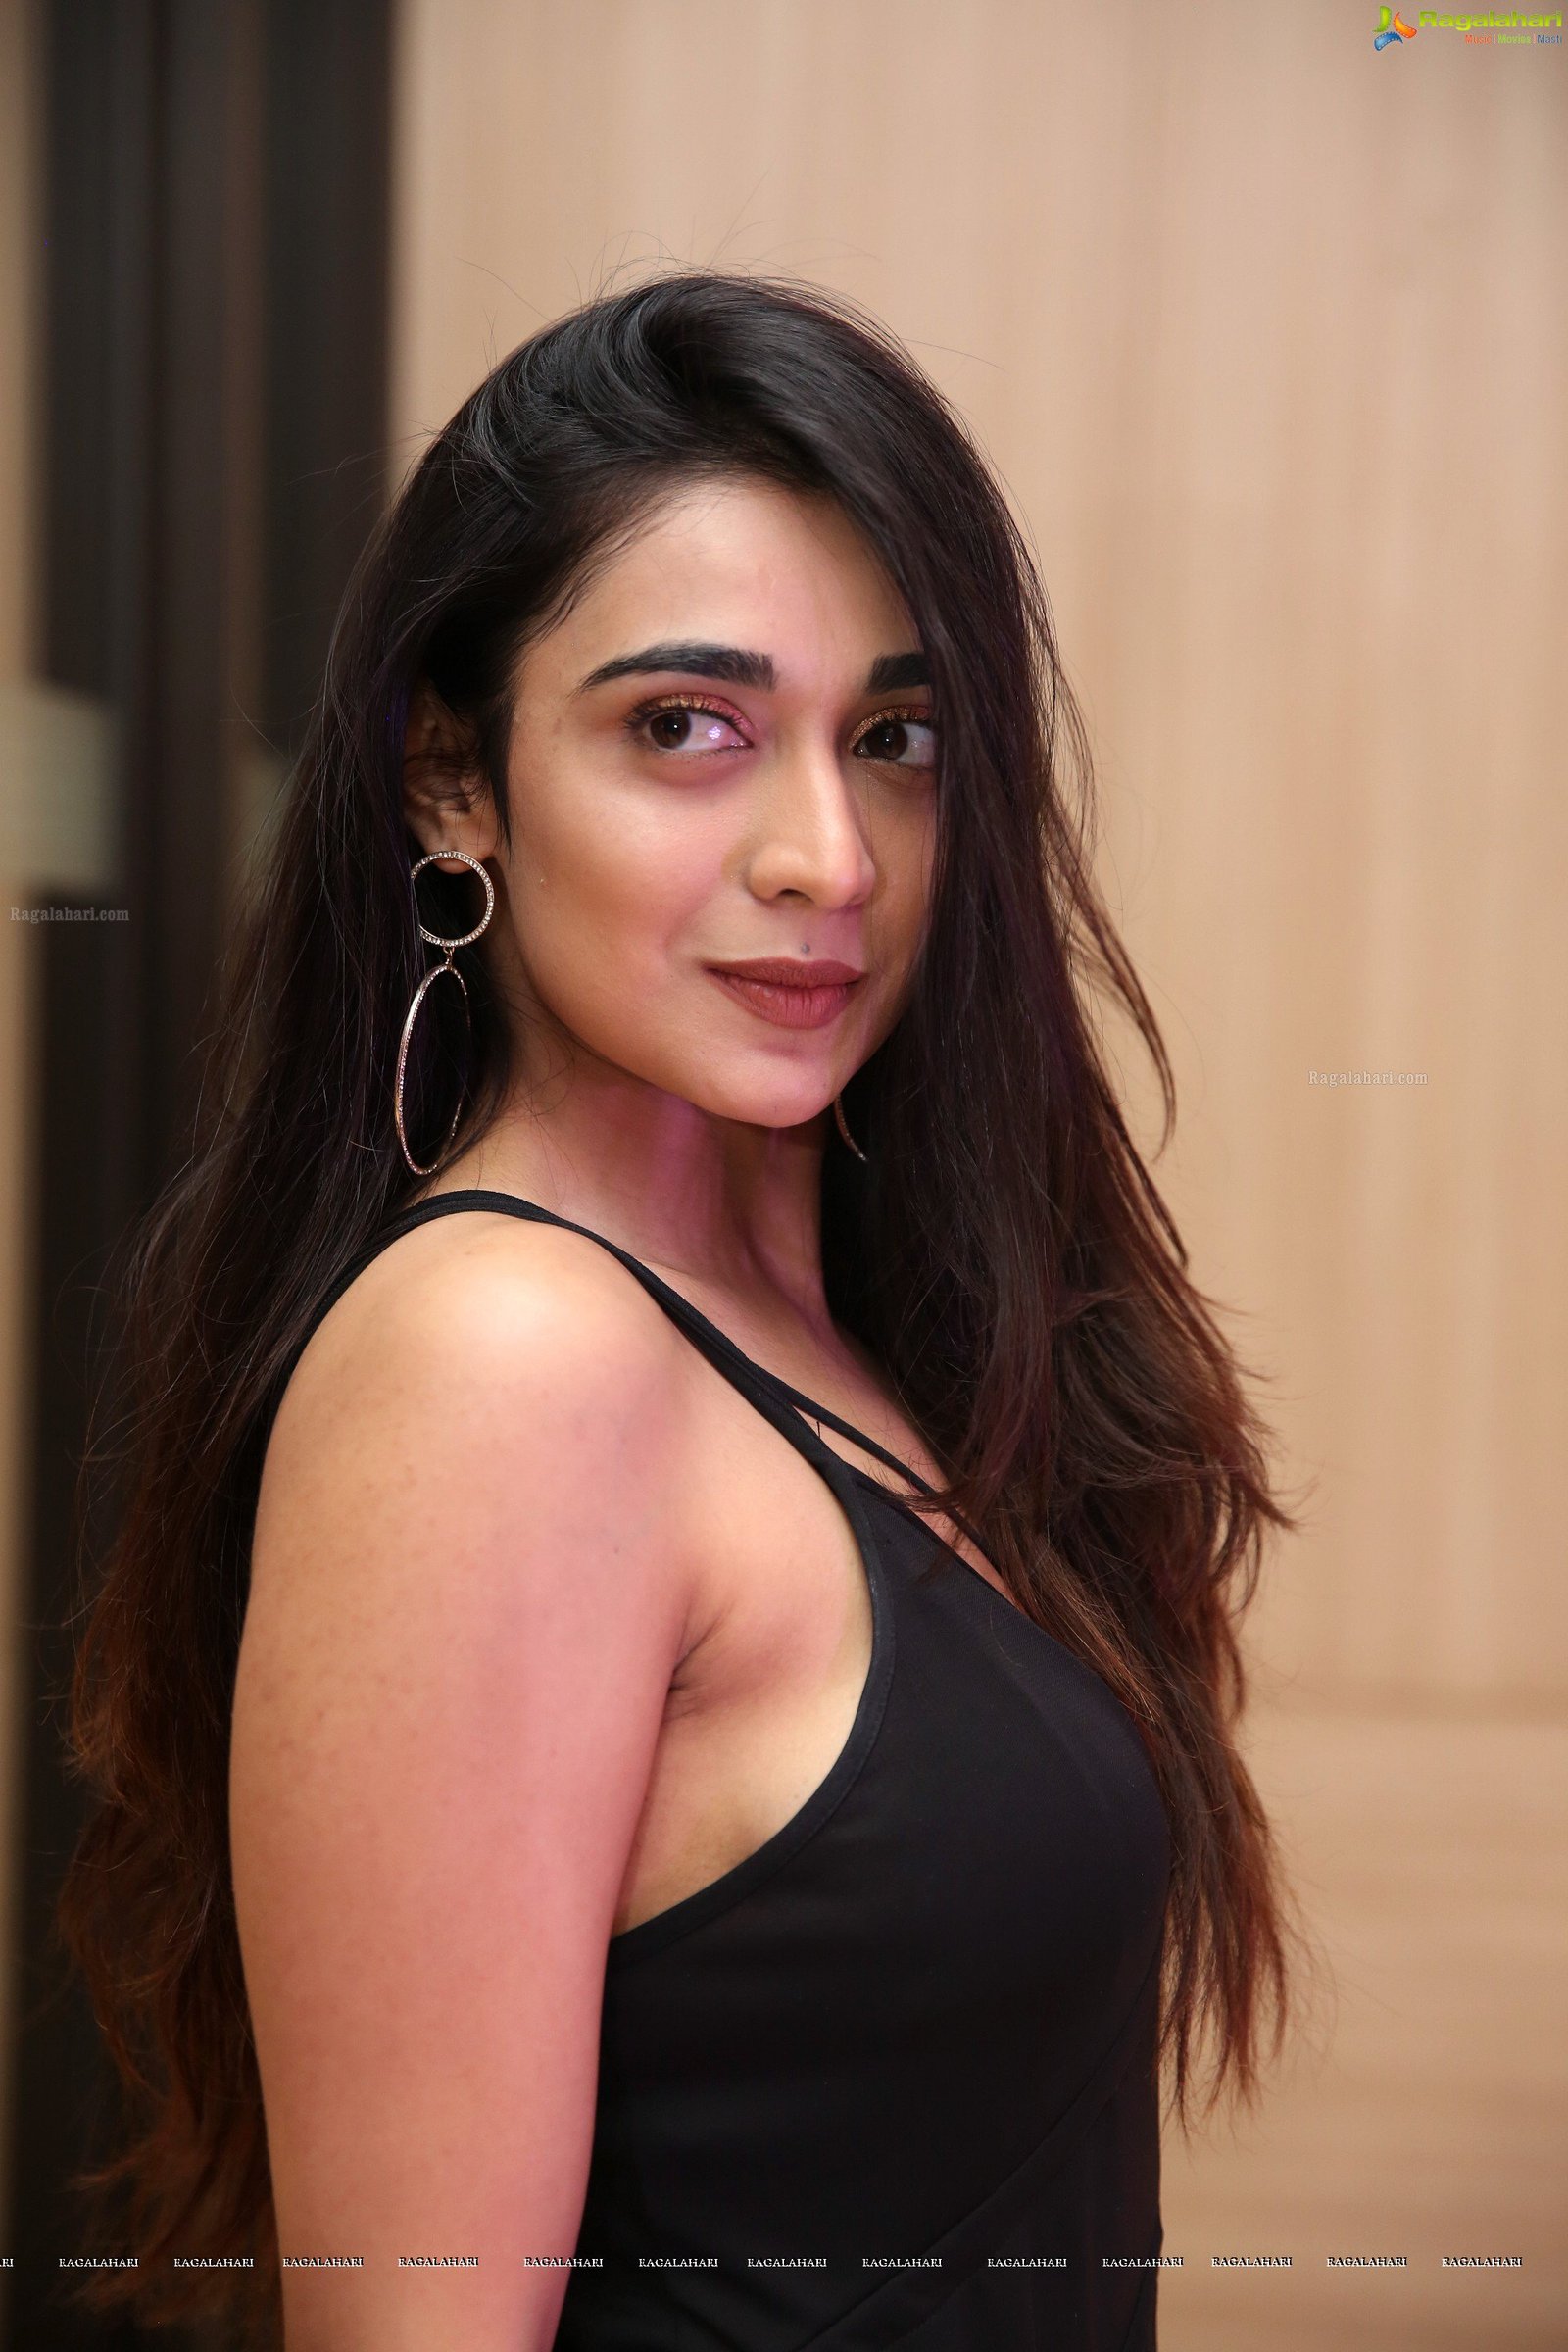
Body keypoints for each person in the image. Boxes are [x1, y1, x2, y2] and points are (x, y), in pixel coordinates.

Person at [59, 270, 1298, 2352]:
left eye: (893, 739)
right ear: (451, 781)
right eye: (684, 728)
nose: (828, 856)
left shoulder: (861, 1327)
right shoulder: (500, 1368)